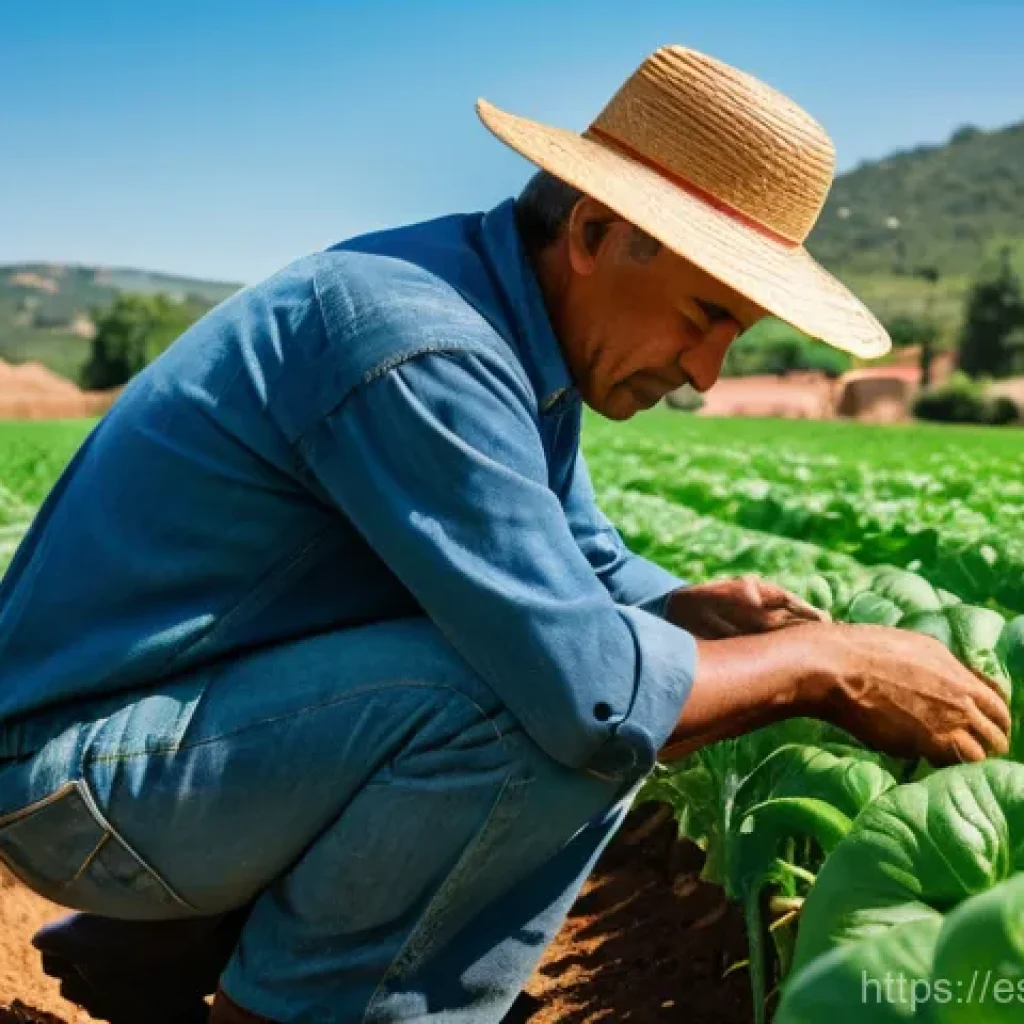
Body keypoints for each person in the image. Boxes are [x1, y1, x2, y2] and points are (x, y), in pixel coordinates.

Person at [0, 45, 1010, 1024]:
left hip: (151, 747)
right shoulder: (424, 340)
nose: (705, 372)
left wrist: (681, 604)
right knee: (529, 706)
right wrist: (825, 664)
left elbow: (581, 555)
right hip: (76, 779)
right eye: (702, 314)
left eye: (731, 336)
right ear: (596, 231)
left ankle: (163, 948)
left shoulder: (503, 312)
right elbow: (588, 693)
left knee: (601, 656)